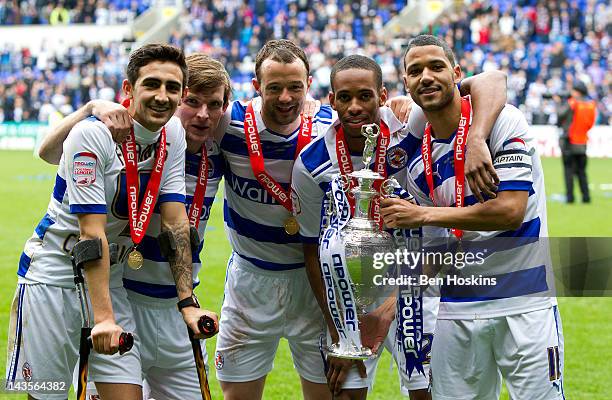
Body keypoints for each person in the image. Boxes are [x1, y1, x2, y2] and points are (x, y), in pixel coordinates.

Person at [291, 55, 508, 400]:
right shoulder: (312, 163)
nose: (355, 107)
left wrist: (477, 137)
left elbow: (492, 79)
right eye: (344, 98)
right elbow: (312, 250)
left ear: (382, 94)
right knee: (346, 391)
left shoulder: (413, 126)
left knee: (428, 392)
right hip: (351, 294)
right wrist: (339, 331)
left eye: (365, 96)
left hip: (416, 285)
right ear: (331, 100)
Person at [5, 43, 202, 400]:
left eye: (172, 88)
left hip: (109, 281)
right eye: (152, 84)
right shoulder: (91, 134)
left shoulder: (173, 134)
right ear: (128, 90)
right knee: (47, 395)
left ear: (182, 94)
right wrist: (103, 319)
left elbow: (175, 226)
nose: (162, 96)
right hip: (53, 280)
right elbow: (90, 235)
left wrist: (188, 302)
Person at [381, 34, 564, 400]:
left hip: (524, 302)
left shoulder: (502, 121)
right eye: (415, 71)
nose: (426, 77)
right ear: (406, 84)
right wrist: (389, 297)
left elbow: (510, 211)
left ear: (457, 73)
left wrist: (422, 214)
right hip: (457, 306)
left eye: (436, 66)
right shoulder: (417, 161)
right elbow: (441, 247)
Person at [556, 80, 596, 203]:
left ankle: (570, 198)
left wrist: (559, 103)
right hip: (582, 142)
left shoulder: (572, 103)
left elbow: (560, 115)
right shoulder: (591, 105)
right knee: (582, 172)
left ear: (577, 91)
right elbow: (590, 124)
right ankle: (586, 197)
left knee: (568, 171)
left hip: (570, 141)